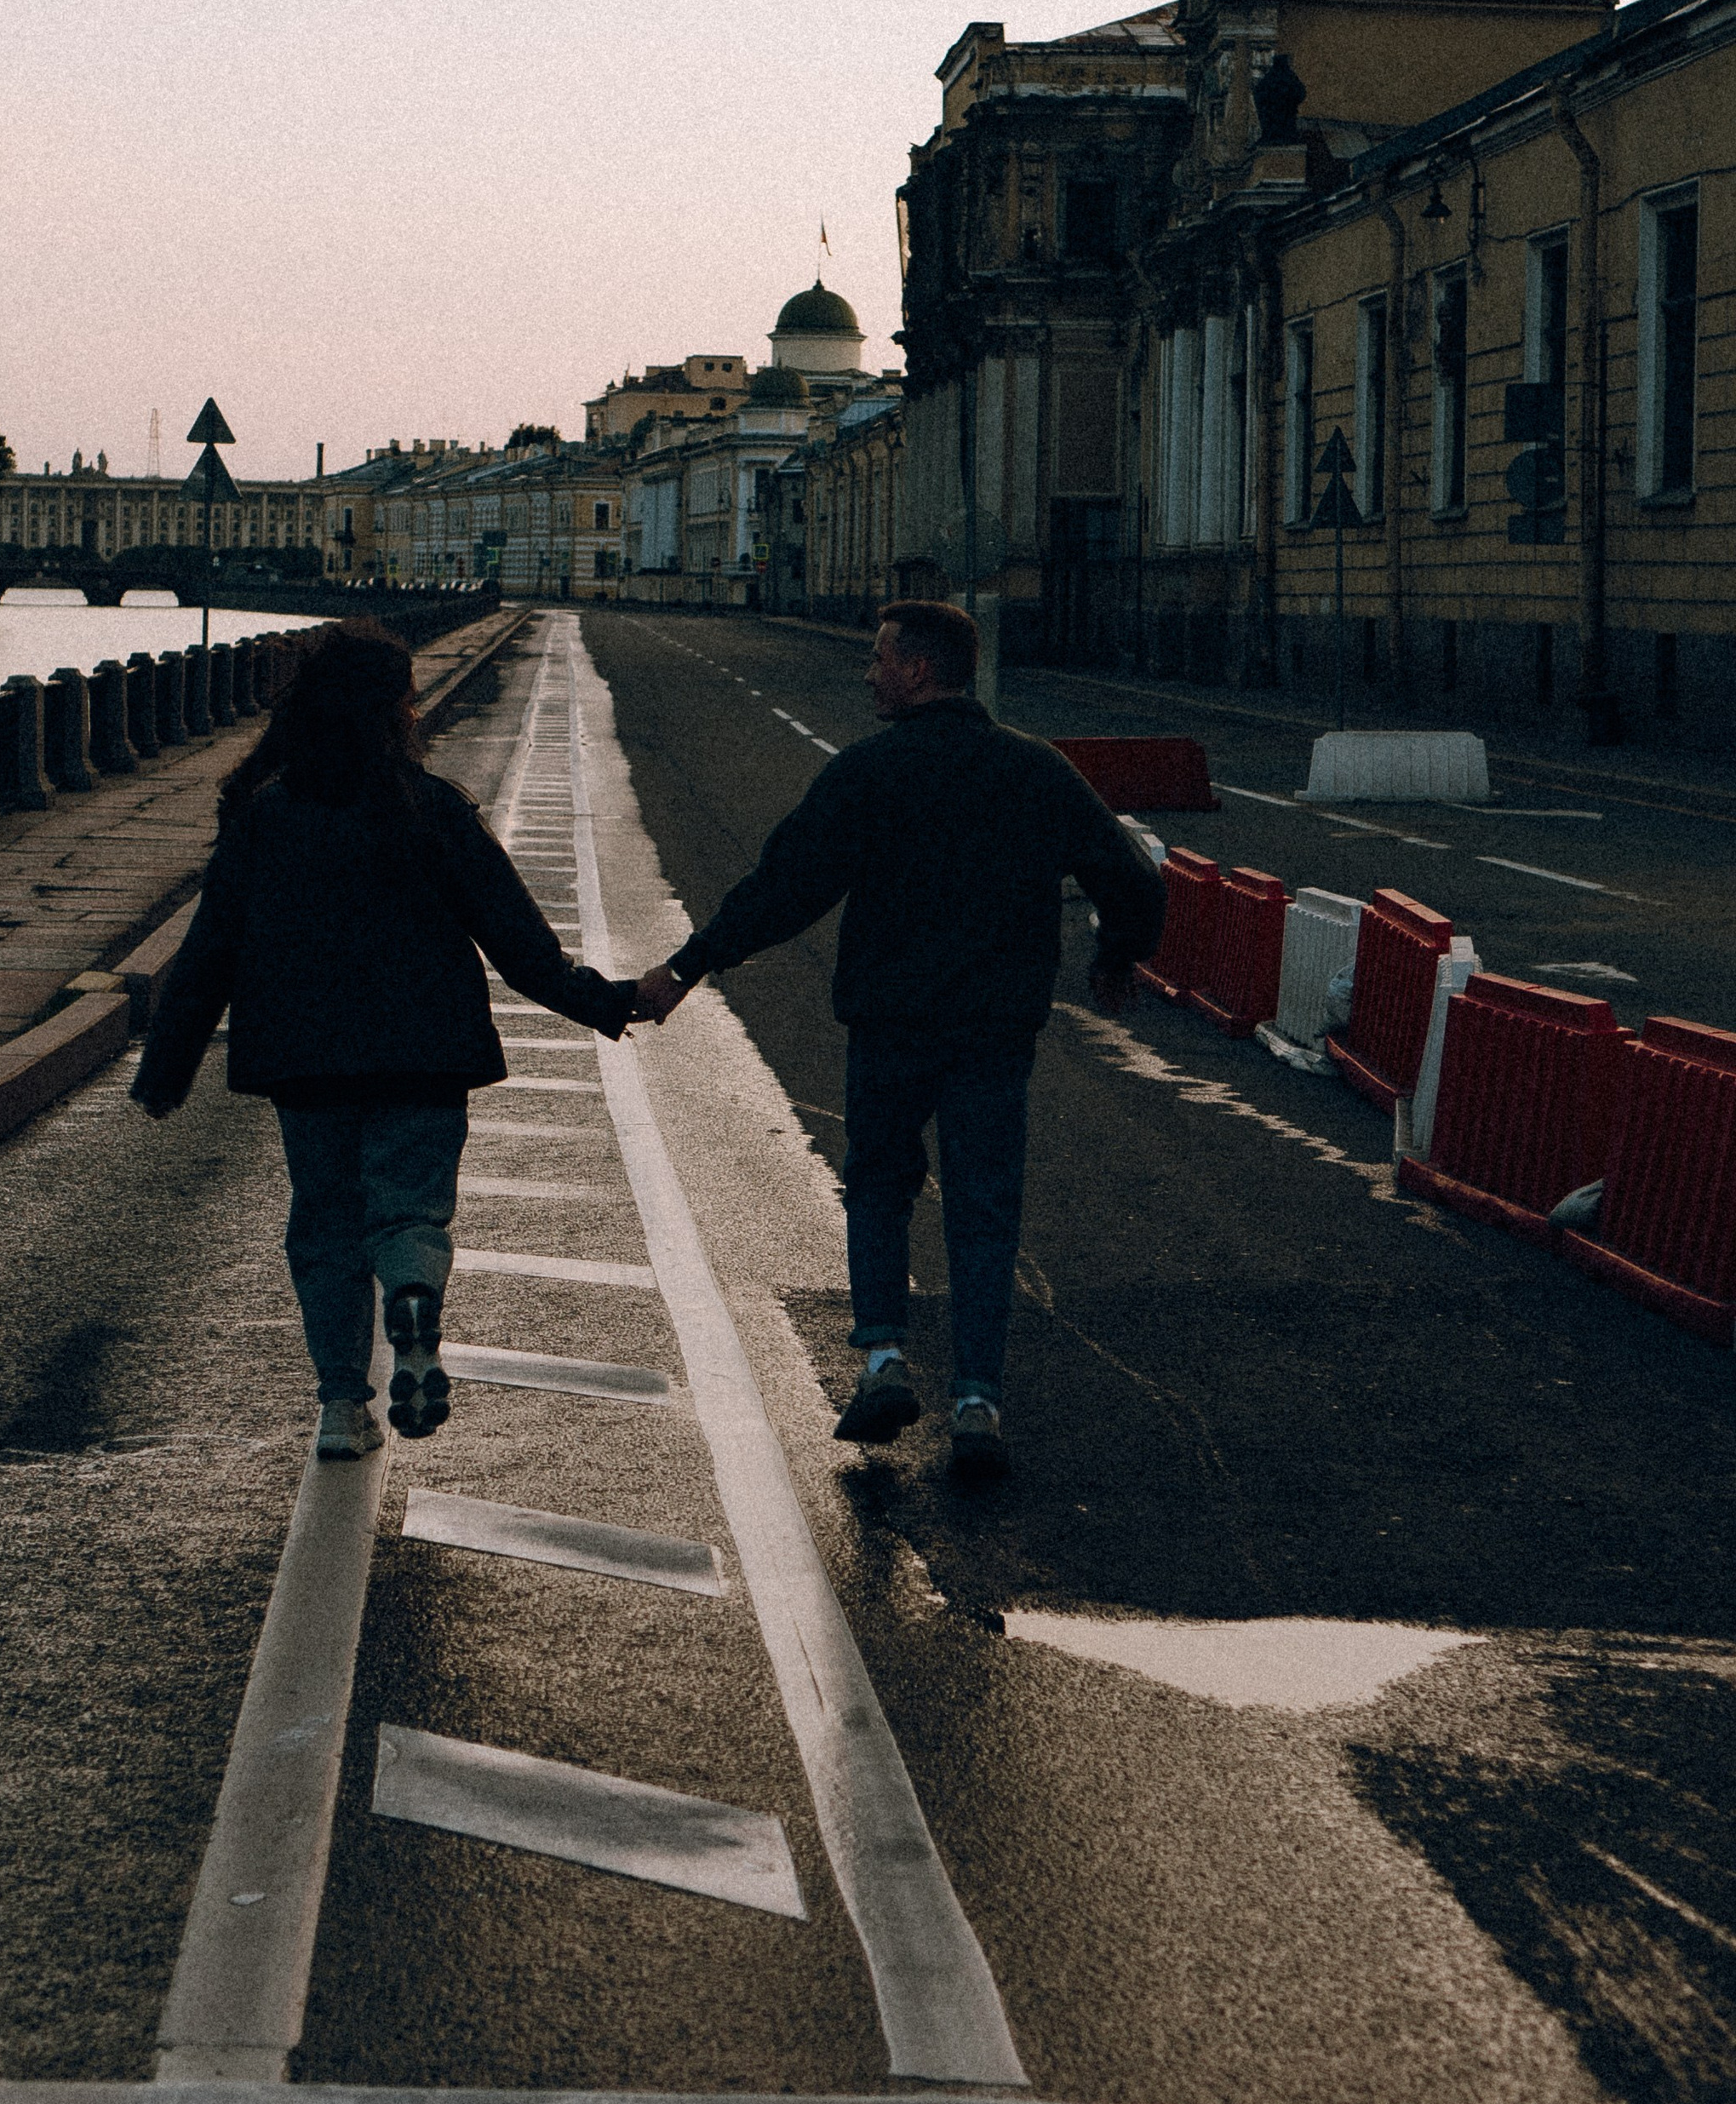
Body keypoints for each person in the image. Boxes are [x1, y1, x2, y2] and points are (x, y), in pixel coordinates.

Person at [635, 601, 1165, 1474]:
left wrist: (688, 968)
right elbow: (1132, 879)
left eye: (880, 658)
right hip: (995, 1030)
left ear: (919, 670)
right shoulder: (1037, 771)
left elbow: (785, 888)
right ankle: (976, 1405)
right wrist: (1117, 957)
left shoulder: (868, 772)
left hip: (890, 1027)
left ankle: (883, 1360)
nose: (869, 671)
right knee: (983, 1210)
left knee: (880, 1187)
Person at [129, 620, 637, 1458]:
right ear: (391, 711)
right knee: (409, 1210)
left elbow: (208, 951)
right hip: (424, 1054)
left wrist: (166, 1070)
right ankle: (411, 1299)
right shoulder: (430, 808)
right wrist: (607, 1004)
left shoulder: (265, 816)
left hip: (305, 1060)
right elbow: (518, 944)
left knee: (325, 1227)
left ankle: (339, 1408)